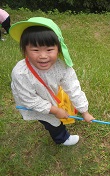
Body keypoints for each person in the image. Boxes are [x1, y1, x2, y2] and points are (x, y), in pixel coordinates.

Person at [9, 17, 95, 146]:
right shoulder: (21, 73)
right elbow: (29, 100)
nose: (43, 56)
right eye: (35, 50)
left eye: (49, 50)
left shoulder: (62, 67)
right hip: (33, 102)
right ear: (25, 50)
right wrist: (54, 110)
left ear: (59, 49)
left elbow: (73, 88)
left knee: (54, 116)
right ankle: (62, 138)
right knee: (51, 121)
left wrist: (84, 111)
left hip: (48, 96)